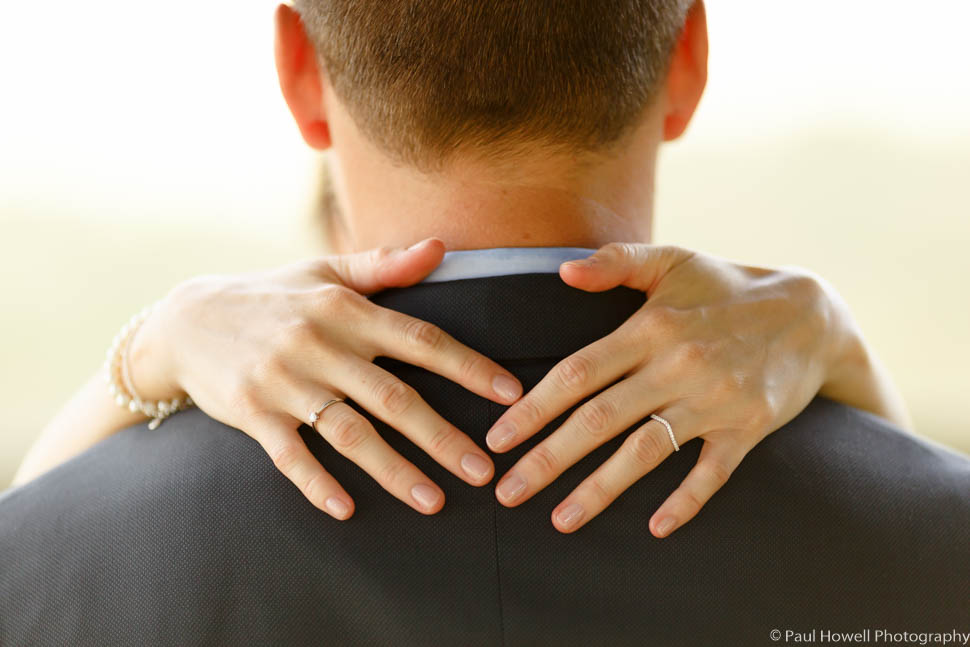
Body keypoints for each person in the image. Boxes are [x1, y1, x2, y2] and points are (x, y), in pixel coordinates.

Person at [1, 1, 967, 645]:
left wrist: (148, 348)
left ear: (298, 70)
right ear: (690, 59)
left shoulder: (50, 555)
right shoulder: (936, 535)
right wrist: (839, 346)